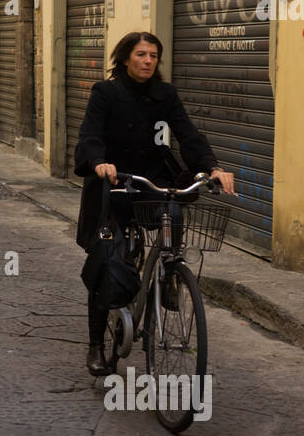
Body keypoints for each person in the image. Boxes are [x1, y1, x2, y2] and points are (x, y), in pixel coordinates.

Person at [74, 31, 236, 377]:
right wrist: (99, 163)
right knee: (107, 260)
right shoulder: (106, 93)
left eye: (153, 56)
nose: (148, 61)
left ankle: (169, 274)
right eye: (141, 54)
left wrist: (213, 167)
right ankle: (95, 347)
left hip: (150, 183)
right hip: (113, 187)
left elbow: (188, 135)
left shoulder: (166, 95)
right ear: (125, 58)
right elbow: (90, 135)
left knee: (173, 209)